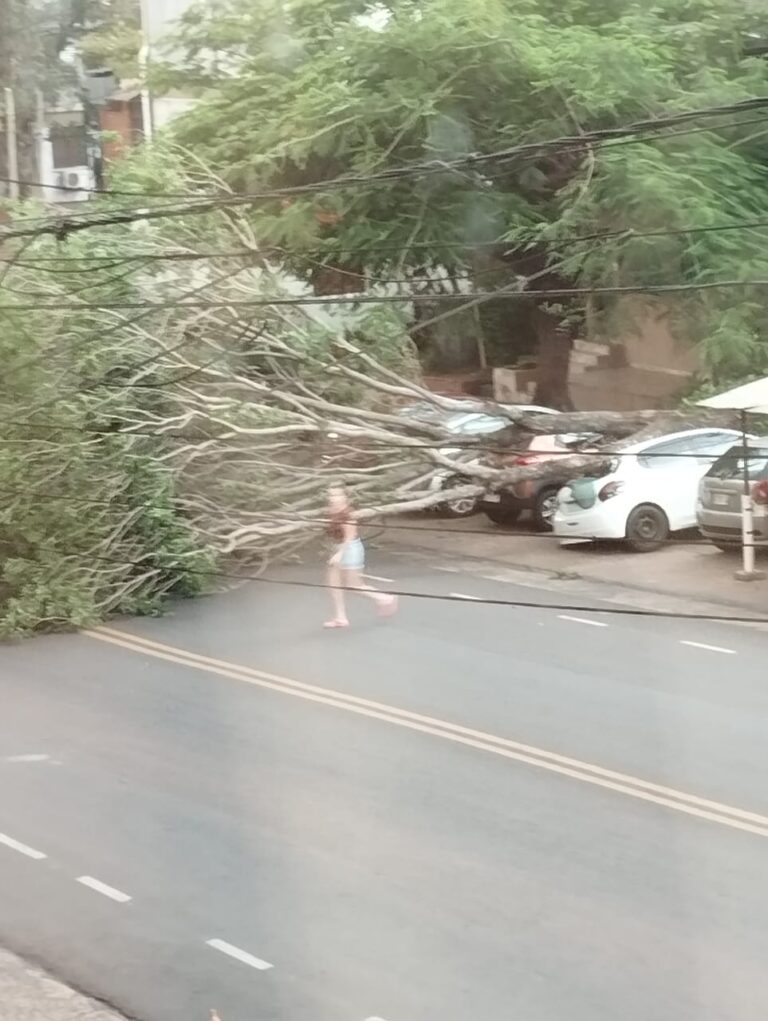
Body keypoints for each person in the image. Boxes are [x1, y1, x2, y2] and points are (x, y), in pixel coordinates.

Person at [324, 485, 397, 628]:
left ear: (345, 497)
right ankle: (340, 617)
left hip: (349, 549)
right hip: (339, 548)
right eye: (331, 495)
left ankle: (385, 597)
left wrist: (339, 555)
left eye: (337, 495)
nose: (333, 498)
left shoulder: (348, 514)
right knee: (333, 583)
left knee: (354, 585)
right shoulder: (332, 511)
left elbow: (349, 537)